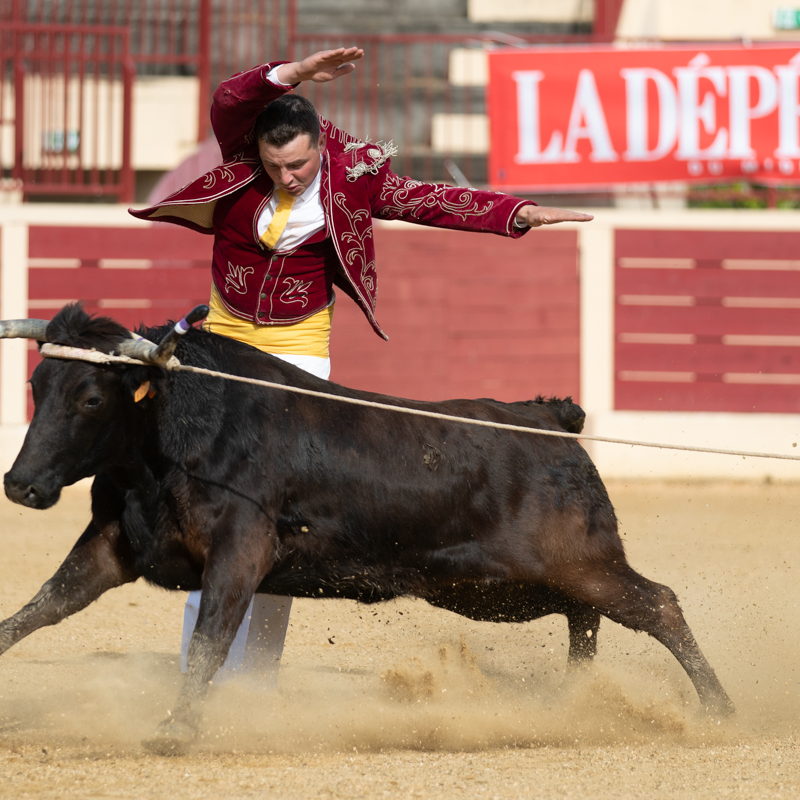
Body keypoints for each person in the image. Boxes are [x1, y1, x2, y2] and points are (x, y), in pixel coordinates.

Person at [129, 47, 593, 690]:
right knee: (211, 511)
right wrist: (289, 74)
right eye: (274, 166)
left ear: (321, 145)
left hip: (297, 349)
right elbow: (229, 101)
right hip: (221, 341)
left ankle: (252, 681)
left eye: (298, 164)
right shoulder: (244, 152)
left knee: (275, 519)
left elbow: (428, 199)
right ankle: (198, 677)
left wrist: (515, 215)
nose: (288, 177)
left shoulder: (353, 176)